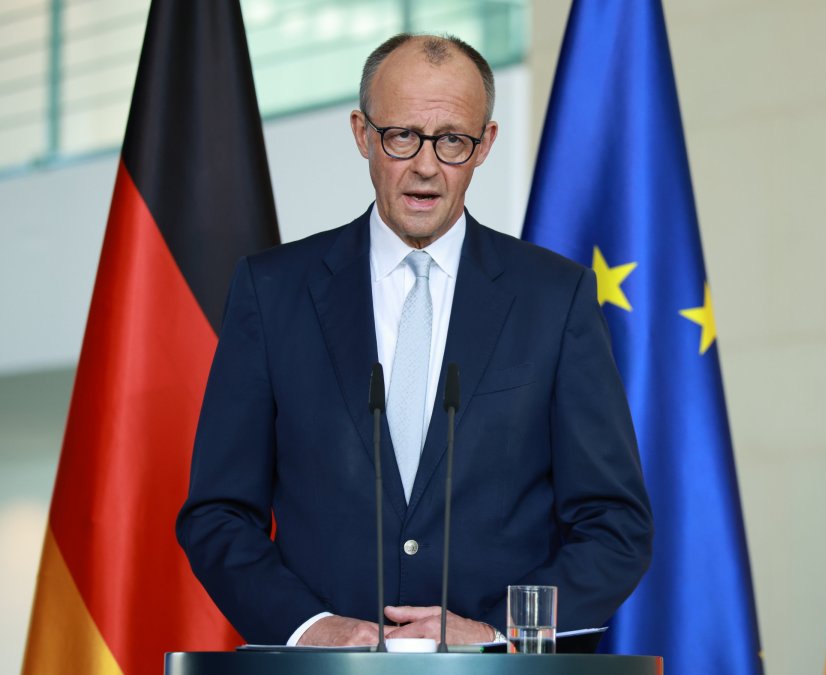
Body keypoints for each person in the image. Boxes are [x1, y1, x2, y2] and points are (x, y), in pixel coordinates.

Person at [176, 33, 653, 647]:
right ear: (362, 134)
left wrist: (497, 634)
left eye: (452, 140)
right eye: (402, 136)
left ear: (485, 144)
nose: (426, 166)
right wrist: (309, 628)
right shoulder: (272, 292)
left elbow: (614, 524)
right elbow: (217, 513)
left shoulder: (555, 298)